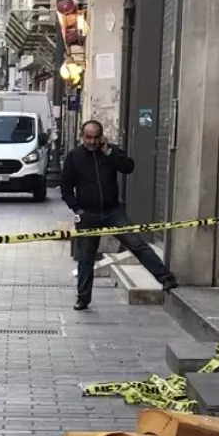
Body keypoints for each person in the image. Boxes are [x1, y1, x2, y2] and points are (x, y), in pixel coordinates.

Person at [62, 119, 178, 311]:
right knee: (86, 258)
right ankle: (83, 298)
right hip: (88, 213)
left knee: (136, 243)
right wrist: (77, 209)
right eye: (88, 137)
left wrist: (108, 152)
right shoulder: (74, 156)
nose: (91, 142)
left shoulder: (110, 152)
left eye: (95, 138)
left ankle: (165, 278)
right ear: (82, 137)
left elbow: (128, 167)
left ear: (101, 137)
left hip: (112, 211)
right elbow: (66, 187)